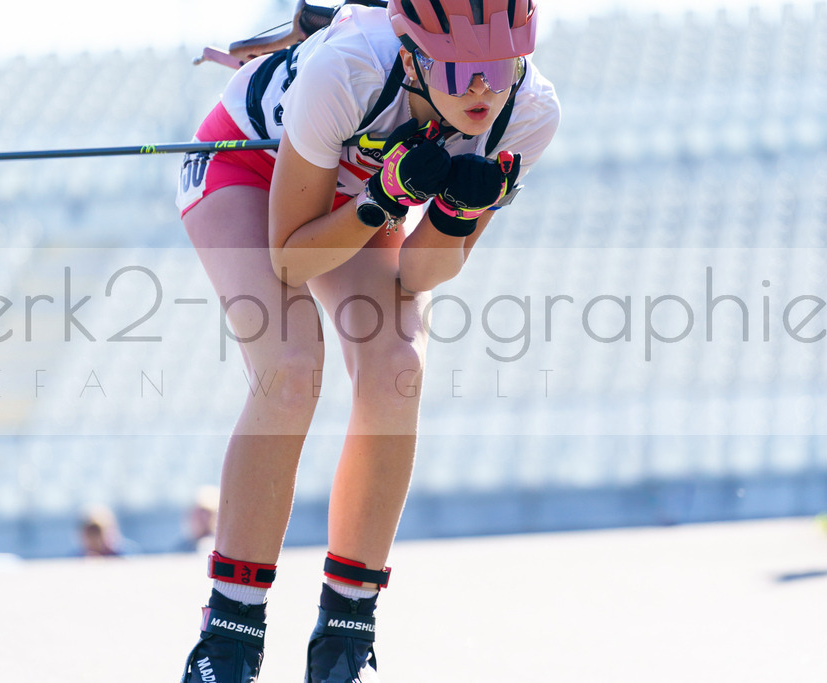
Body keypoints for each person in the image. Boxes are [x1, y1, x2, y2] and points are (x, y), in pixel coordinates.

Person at [175, 0, 559, 680]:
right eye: (461, 69)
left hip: (357, 189)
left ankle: (345, 633)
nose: (483, 87)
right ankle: (228, 636)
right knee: (292, 368)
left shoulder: (527, 112)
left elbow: (420, 274)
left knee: (398, 369)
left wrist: (457, 212)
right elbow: (291, 258)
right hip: (251, 168)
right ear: (412, 56)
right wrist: (382, 199)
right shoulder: (349, 70)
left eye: (502, 66)